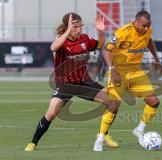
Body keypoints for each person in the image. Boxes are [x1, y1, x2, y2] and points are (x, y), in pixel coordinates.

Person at [25, 12, 118, 151]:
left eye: (80, 26)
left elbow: (99, 44)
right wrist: (67, 30)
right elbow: (53, 47)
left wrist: (101, 32)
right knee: (51, 113)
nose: (79, 30)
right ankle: (33, 142)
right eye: (75, 27)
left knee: (113, 102)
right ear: (67, 26)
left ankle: (103, 134)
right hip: (65, 85)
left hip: (83, 82)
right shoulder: (61, 41)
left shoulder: (85, 39)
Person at [93, 10, 162, 151]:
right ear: (135, 22)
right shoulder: (123, 32)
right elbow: (107, 50)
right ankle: (100, 139)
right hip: (118, 72)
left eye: (148, 25)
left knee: (154, 101)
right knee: (113, 106)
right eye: (143, 25)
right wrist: (112, 68)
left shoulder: (148, 31)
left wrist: (156, 58)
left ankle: (139, 130)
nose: (146, 28)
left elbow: (149, 40)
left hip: (136, 72)